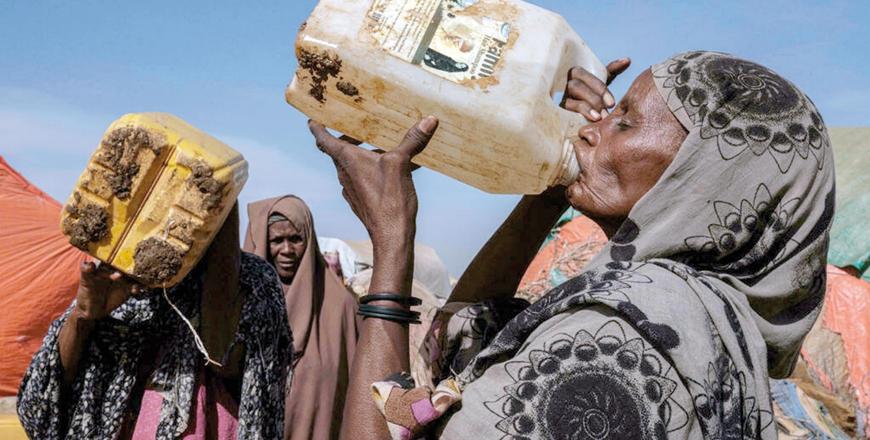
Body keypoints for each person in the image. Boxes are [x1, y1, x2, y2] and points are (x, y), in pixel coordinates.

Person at [310, 51, 834, 439]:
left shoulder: (617, 342)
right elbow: (463, 337)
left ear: (699, 179)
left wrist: (393, 243)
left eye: (624, 121)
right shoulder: (702, 315)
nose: (590, 129)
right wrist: (549, 187)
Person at [17, 203, 293, 439]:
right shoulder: (117, 277)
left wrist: (220, 260)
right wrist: (84, 316)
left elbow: (236, 368)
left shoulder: (252, 279)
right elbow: (37, 409)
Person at [243, 195, 359, 440]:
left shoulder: (341, 307)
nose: (287, 250)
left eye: (295, 239)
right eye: (276, 240)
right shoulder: (241, 301)